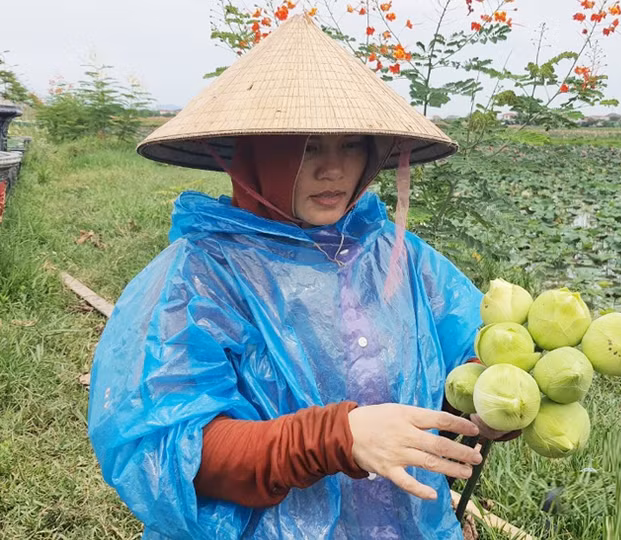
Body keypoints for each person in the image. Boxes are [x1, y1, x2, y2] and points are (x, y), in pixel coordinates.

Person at [87, 14, 514, 540]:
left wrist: (492, 405)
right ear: (253, 151)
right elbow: (169, 453)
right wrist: (331, 439)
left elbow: (462, 366)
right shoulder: (198, 278)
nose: (334, 170)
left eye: (352, 144)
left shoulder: (399, 256)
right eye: (309, 147)